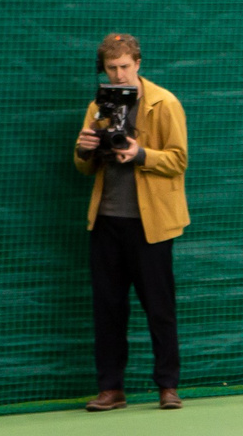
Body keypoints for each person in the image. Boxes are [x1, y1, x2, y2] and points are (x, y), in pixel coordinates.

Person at [74, 33, 190, 412]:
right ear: (104, 69)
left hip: (151, 224)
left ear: (138, 63)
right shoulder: (98, 105)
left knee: (159, 306)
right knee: (108, 307)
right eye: (112, 68)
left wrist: (141, 154)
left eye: (125, 66)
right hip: (107, 221)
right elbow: (82, 166)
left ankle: (168, 387)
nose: (120, 74)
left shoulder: (164, 103)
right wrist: (83, 150)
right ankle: (111, 389)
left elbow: (178, 160)